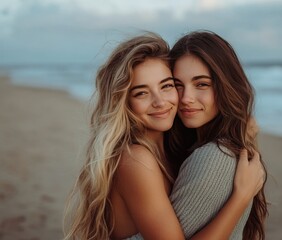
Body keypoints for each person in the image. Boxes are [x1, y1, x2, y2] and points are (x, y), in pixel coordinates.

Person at [63, 32, 264, 240]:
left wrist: (245, 128)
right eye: (141, 92)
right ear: (124, 103)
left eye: (167, 86)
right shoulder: (136, 159)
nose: (160, 102)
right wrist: (240, 197)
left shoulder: (173, 149)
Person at [167, 30, 268, 239]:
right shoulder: (221, 145)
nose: (186, 98)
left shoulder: (214, 156)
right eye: (177, 85)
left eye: (202, 84)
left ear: (226, 86)